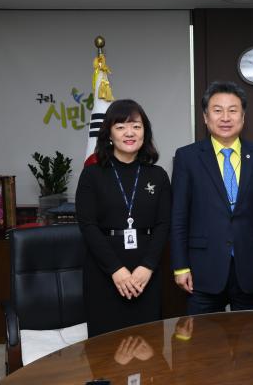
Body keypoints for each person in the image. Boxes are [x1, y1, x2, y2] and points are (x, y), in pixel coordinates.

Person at [170, 81, 253, 315]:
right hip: (202, 269)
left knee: (251, 345)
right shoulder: (187, 157)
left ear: (243, 116)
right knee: (202, 345)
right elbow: (179, 216)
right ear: (205, 117)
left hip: (250, 267)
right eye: (217, 110)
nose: (225, 117)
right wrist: (180, 266)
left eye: (233, 110)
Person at [76, 99, 171, 337]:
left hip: (146, 276)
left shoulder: (157, 175)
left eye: (136, 126)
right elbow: (88, 225)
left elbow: (163, 224)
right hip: (104, 275)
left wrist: (147, 267)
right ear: (109, 133)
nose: (129, 133)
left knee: (148, 350)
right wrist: (116, 270)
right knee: (105, 353)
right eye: (120, 127)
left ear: (144, 133)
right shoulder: (92, 174)